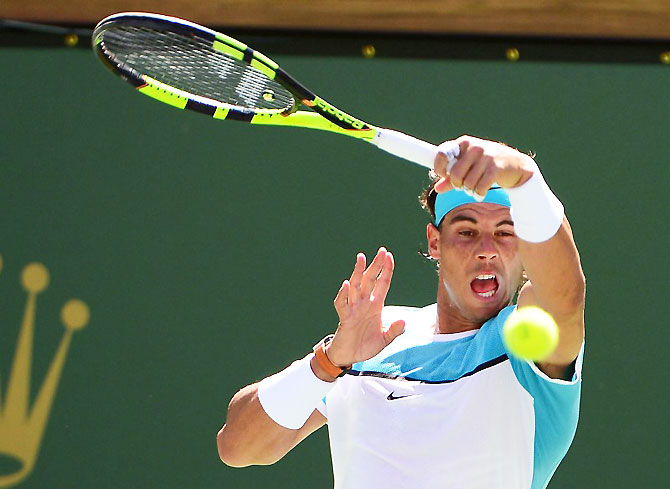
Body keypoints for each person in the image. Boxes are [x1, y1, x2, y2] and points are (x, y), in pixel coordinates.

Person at [216, 135, 586, 489]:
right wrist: (331, 362)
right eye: (467, 232)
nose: (487, 249)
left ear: (525, 250)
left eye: (505, 233)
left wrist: (523, 175)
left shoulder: (527, 343)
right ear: (434, 243)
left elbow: (566, 296)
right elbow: (237, 447)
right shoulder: (379, 336)